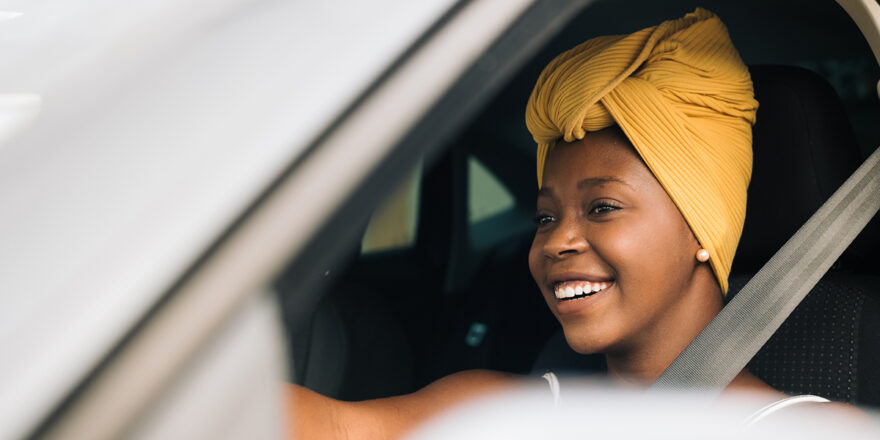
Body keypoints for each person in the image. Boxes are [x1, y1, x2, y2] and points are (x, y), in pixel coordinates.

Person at [285, 8, 855, 439]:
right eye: (544, 216)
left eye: (602, 207)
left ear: (702, 230)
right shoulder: (502, 411)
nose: (555, 240)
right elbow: (338, 428)